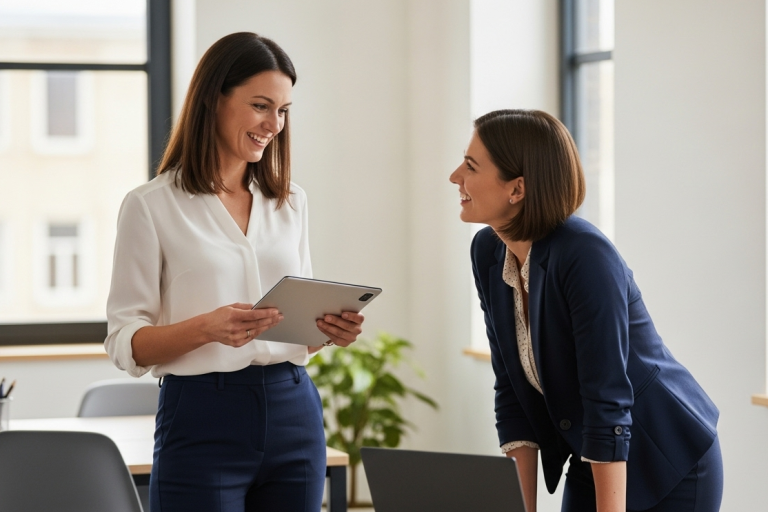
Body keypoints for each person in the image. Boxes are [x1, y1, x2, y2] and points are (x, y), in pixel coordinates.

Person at [105, 32, 364, 512]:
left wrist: (325, 330)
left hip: (294, 409)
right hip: (202, 414)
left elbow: (291, 333)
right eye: (261, 106)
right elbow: (125, 343)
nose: (274, 124)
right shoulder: (151, 206)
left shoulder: (290, 202)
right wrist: (207, 328)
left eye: (283, 111)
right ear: (214, 100)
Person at [449, 109, 722, 512]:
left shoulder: (584, 255)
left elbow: (606, 396)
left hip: (666, 458)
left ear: (517, 189)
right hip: (590, 450)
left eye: (471, 166)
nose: (455, 176)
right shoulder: (488, 252)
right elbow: (511, 392)